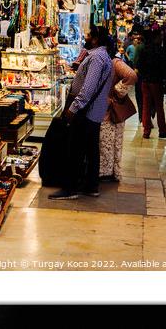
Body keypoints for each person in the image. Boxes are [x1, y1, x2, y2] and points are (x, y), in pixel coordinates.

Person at [48, 26, 113, 200]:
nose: (85, 37)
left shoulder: (97, 58)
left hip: (86, 112)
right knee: (90, 149)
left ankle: (70, 188)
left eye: (88, 35)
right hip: (93, 112)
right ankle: (91, 186)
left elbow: (88, 88)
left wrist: (73, 108)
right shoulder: (99, 56)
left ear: (96, 39)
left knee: (75, 149)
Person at [99, 57, 138, 182]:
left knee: (107, 142)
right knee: (113, 142)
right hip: (111, 110)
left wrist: (117, 91)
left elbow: (131, 75)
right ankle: (112, 172)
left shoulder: (114, 63)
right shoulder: (112, 63)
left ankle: (106, 173)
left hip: (110, 110)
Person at [135, 30, 166, 140]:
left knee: (146, 106)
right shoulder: (160, 51)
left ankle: (146, 132)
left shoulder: (144, 49)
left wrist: (144, 75)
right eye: (160, 37)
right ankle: (162, 130)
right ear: (155, 38)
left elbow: (139, 65)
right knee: (159, 106)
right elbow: (164, 67)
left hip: (145, 81)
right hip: (157, 81)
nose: (161, 39)